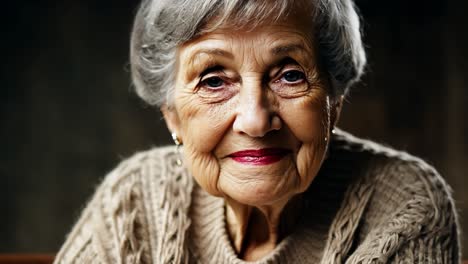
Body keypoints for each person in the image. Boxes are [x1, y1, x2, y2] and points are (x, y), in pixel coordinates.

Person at [54, 0, 460, 263]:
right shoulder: (133, 202)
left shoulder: (401, 207)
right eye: (214, 81)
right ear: (172, 115)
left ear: (333, 103)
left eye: (289, 75)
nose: (255, 120)